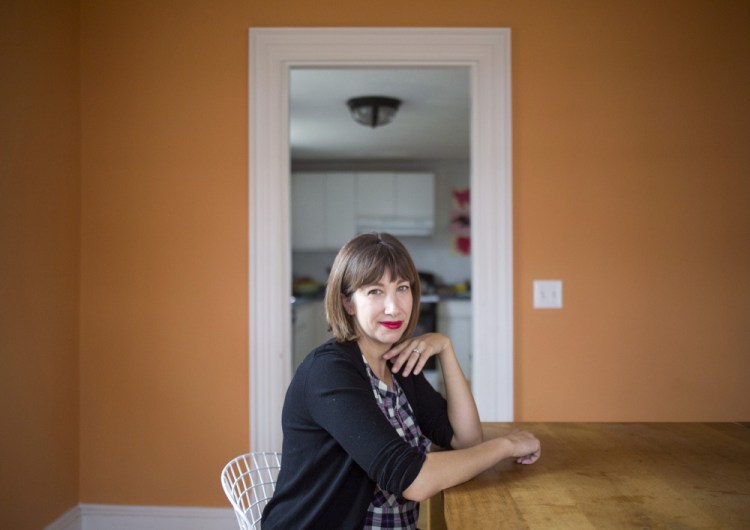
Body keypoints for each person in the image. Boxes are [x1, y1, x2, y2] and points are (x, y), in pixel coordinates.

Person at [261, 232, 540, 529]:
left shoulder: (396, 363)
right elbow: (413, 480)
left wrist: (445, 348)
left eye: (402, 288)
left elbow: (466, 439)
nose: (394, 307)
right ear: (348, 303)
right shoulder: (329, 371)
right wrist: (506, 445)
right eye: (375, 292)